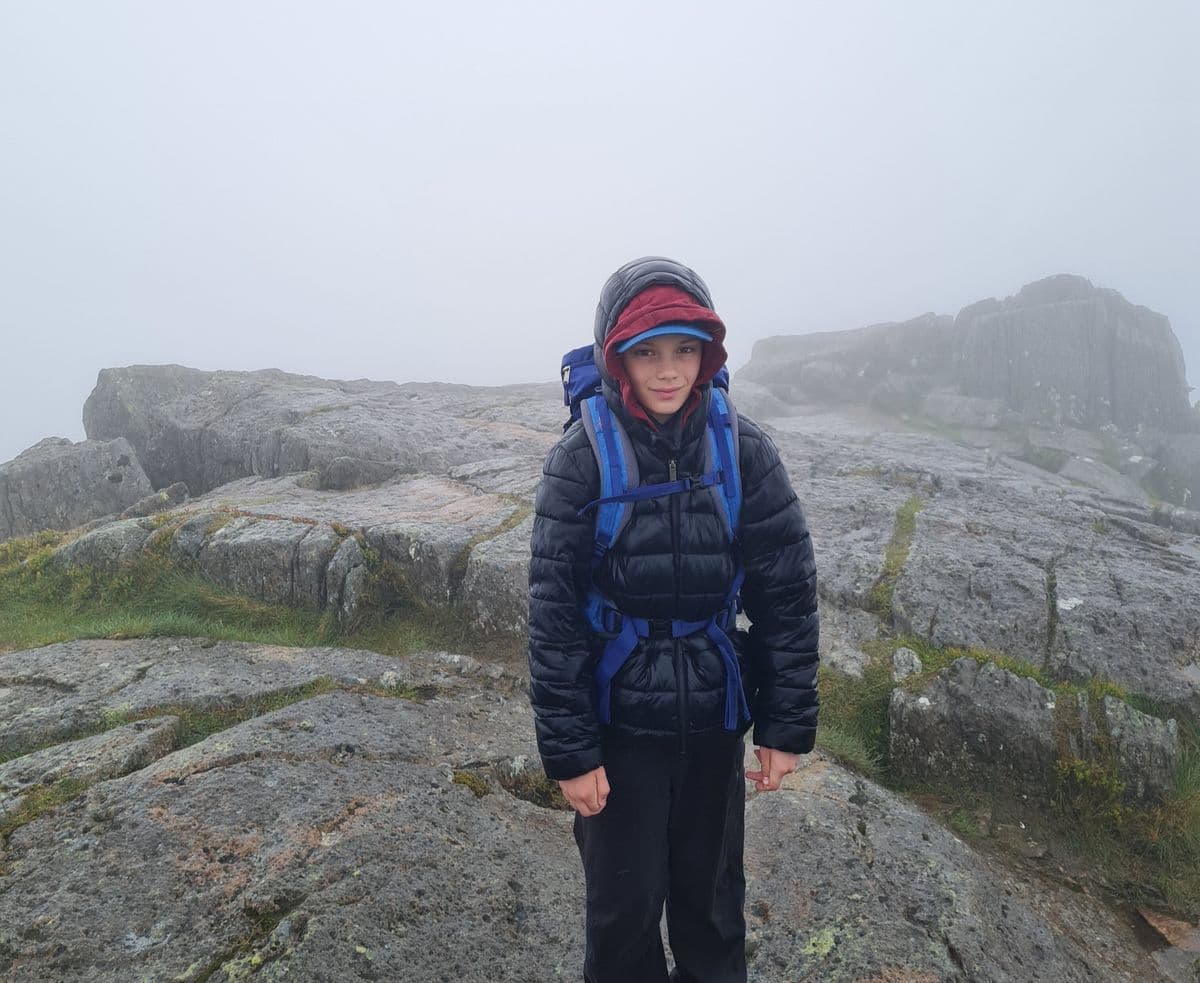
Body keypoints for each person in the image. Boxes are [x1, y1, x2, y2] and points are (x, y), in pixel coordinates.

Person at [528, 256, 819, 983]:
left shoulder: (741, 448)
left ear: (707, 353)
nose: (668, 370)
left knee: (714, 912)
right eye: (648, 351)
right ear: (615, 355)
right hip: (620, 730)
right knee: (623, 922)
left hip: (715, 725)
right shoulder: (582, 457)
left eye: (684, 349)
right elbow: (554, 614)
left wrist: (783, 728)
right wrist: (572, 754)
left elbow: (785, 590)